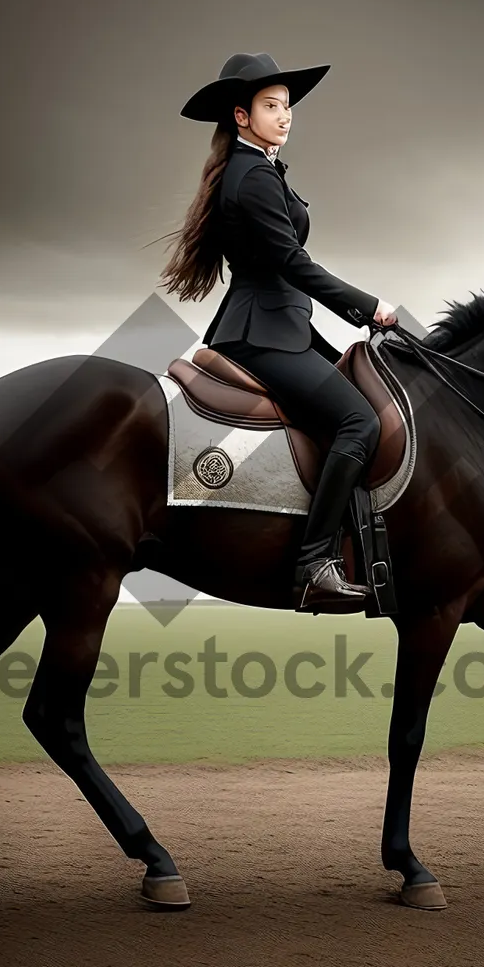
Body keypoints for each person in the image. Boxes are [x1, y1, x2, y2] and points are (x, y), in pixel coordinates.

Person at [161, 52, 399, 612]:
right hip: (260, 334)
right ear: (241, 116)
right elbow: (292, 263)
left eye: (288, 106)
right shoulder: (251, 176)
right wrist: (369, 307)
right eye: (272, 107)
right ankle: (314, 564)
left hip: (282, 326)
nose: (285, 116)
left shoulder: (257, 168)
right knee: (358, 422)